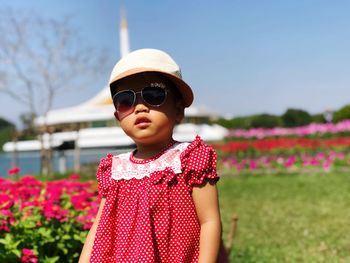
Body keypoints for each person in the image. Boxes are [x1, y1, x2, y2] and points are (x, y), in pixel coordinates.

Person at [79, 48, 227, 263]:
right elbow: (100, 227)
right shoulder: (115, 169)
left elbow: (210, 221)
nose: (140, 107)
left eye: (154, 95)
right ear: (118, 116)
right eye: (125, 101)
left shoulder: (189, 158)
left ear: (178, 110)